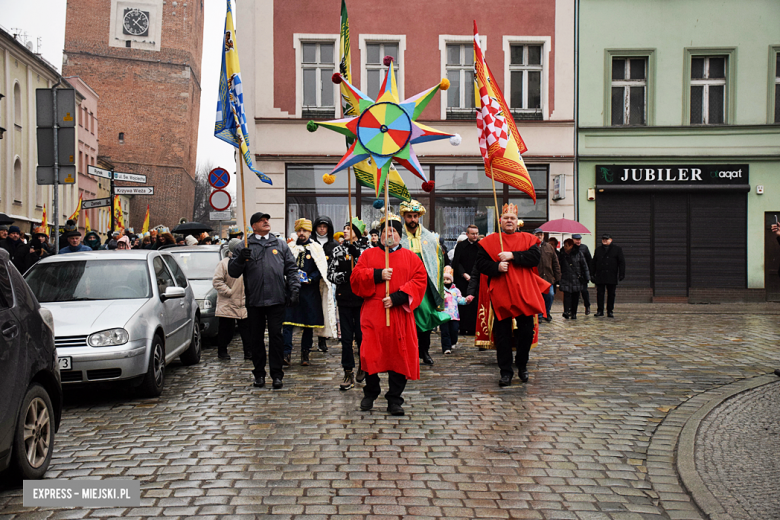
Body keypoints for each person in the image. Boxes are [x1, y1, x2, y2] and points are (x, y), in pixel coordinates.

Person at [350, 214, 428, 416]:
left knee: (398, 356)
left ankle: (395, 399)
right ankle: (371, 391)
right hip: (373, 313)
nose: (389, 234)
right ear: (380, 235)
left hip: (398, 314)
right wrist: (377, 274)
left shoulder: (412, 258)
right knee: (370, 355)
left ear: (399, 235)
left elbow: (420, 281)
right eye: (385, 231)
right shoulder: (368, 255)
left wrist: (398, 297)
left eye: (393, 231)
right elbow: (356, 278)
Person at [475, 203, 549, 387]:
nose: (509, 221)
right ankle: (505, 371)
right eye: (506, 218)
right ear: (500, 221)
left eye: (512, 218)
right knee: (503, 335)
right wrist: (496, 267)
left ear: (518, 222)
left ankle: (522, 365)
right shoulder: (490, 241)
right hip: (501, 292)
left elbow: (534, 258)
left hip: (524, 292)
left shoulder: (528, 239)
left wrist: (512, 256)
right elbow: (481, 264)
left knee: (526, 332)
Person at [228, 211, 300, 389]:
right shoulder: (244, 245)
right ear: (253, 226)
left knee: (276, 336)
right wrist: (240, 259)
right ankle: (259, 373)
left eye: (266, 219)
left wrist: (294, 289)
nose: (266, 222)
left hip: (276, 299)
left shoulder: (280, 245)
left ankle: (277, 374)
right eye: (261, 221)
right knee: (256, 338)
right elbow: (233, 272)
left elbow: (291, 269)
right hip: (255, 300)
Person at [399, 200, 450, 366]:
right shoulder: (398, 237)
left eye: (415, 216)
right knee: (407, 318)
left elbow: (436, 262)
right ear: (404, 217)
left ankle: (424, 351)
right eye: (409, 216)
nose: (412, 219)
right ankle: (408, 352)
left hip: (424, 285)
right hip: (405, 284)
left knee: (426, 317)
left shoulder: (429, 237)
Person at [282, 218, 336, 367]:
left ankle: (305, 353)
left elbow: (321, 270)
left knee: (308, 325)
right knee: (286, 323)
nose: (301, 233)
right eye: (299, 230)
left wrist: (310, 279)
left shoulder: (316, 248)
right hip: (292, 291)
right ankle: (286, 353)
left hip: (309, 292)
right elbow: (283, 266)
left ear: (309, 232)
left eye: (304, 231)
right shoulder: (289, 247)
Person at [327, 218, 370, 390]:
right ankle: (348, 371)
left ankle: (363, 364)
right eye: (344, 228)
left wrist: (357, 256)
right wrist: (346, 275)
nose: (345, 231)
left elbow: (370, 271)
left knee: (361, 337)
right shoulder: (337, 250)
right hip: (344, 298)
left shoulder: (366, 250)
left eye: (349, 228)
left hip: (361, 300)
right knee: (346, 339)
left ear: (357, 233)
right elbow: (330, 273)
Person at [213, 238, 251, 360]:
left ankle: (248, 352)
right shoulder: (224, 263)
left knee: (247, 330)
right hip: (228, 302)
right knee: (226, 330)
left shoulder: (247, 261)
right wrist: (229, 292)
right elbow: (217, 281)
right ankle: (222, 351)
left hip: (244, 302)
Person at [312, 215, 338, 352]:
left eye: (324, 227)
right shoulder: (311, 243)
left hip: (327, 281)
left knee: (324, 310)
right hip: (312, 281)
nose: (322, 229)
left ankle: (322, 339)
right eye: (319, 227)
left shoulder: (333, 245)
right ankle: (309, 338)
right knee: (311, 309)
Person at [452, 224, 481, 335]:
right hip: (462, 279)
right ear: (467, 234)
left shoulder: (480, 246)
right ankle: (462, 327)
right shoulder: (461, 246)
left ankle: (474, 327)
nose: (475, 236)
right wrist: (464, 274)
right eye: (473, 234)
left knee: (474, 303)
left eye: (476, 234)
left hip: (476, 279)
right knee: (463, 303)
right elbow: (456, 262)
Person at [590, 234, 626, 318]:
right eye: (603, 239)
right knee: (600, 294)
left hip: (611, 275)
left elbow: (621, 262)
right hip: (600, 275)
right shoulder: (598, 250)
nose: (604, 240)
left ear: (611, 240)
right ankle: (600, 310)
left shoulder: (617, 249)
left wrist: (621, 274)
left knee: (611, 294)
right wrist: (592, 274)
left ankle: (610, 311)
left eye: (606, 239)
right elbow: (594, 262)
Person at [441, 266, 471, 355]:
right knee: (445, 332)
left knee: (454, 330)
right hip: (444, 314)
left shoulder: (456, 290)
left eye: (448, 279)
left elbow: (459, 299)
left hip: (454, 315)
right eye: (444, 279)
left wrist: (466, 300)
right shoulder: (441, 290)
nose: (446, 281)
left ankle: (453, 342)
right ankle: (446, 347)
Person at [558, 238, 590, 320]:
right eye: (564, 245)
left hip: (576, 278)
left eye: (566, 246)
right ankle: (566, 311)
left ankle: (573, 313)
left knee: (575, 296)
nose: (564, 247)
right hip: (566, 278)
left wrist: (587, 277)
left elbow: (584, 266)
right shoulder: (561, 254)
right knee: (567, 296)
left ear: (571, 246)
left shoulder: (578, 253)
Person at [534, 229, 561, 323]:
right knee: (538, 297)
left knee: (550, 295)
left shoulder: (549, 247)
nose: (539, 236)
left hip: (548, 277)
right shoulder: (531, 246)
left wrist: (558, 277)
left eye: (540, 234)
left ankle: (547, 312)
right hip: (536, 277)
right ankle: (539, 315)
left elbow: (555, 263)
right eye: (537, 235)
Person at [572, 234, 593, 315]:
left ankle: (587, 306)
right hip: (573, 274)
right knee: (574, 293)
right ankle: (573, 310)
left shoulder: (584, 248)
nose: (578, 241)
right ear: (572, 240)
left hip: (583, 275)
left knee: (584, 291)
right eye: (576, 239)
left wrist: (590, 273)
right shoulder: (570, 248)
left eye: (579, 239)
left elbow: (589, 261)